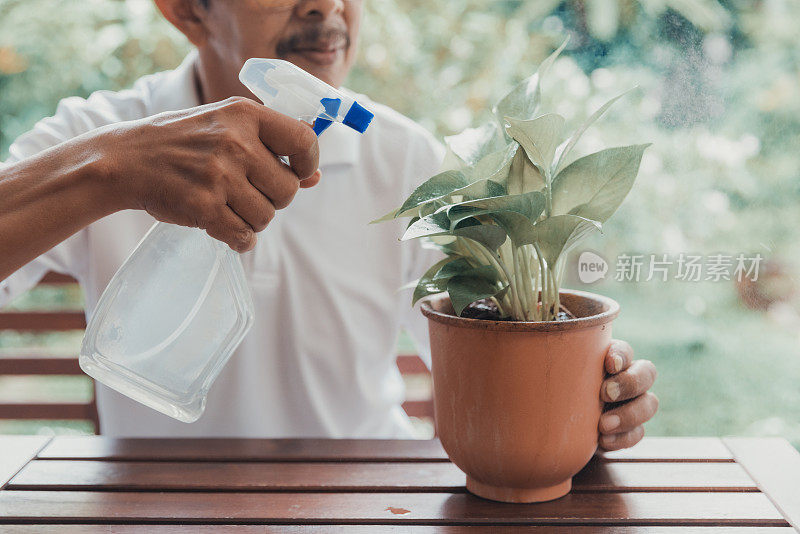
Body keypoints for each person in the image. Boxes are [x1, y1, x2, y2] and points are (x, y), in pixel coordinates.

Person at [0, 0, 657, 450]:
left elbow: (502, 364)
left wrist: (594, 400)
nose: (326, 6)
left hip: (366, 498)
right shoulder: (99, 138)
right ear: (188, 9)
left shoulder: (400, 155)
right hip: (158, 503)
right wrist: (114, 170)